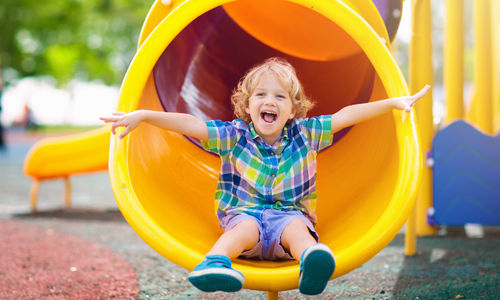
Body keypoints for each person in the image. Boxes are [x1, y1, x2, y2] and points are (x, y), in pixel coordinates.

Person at [101, 57, 430, 295]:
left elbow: (346, 116)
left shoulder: (307, 132)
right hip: (245, 218)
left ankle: (312, 260)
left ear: (293, 109)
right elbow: (191, 124)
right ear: (247, 105)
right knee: (244, 227)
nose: (269, 101)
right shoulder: (234, 135)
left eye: (279, 97)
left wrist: (392, 102)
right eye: (260, 95)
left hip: (288, 217)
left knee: (298, 230)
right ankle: (215, 263)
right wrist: (143, 115)